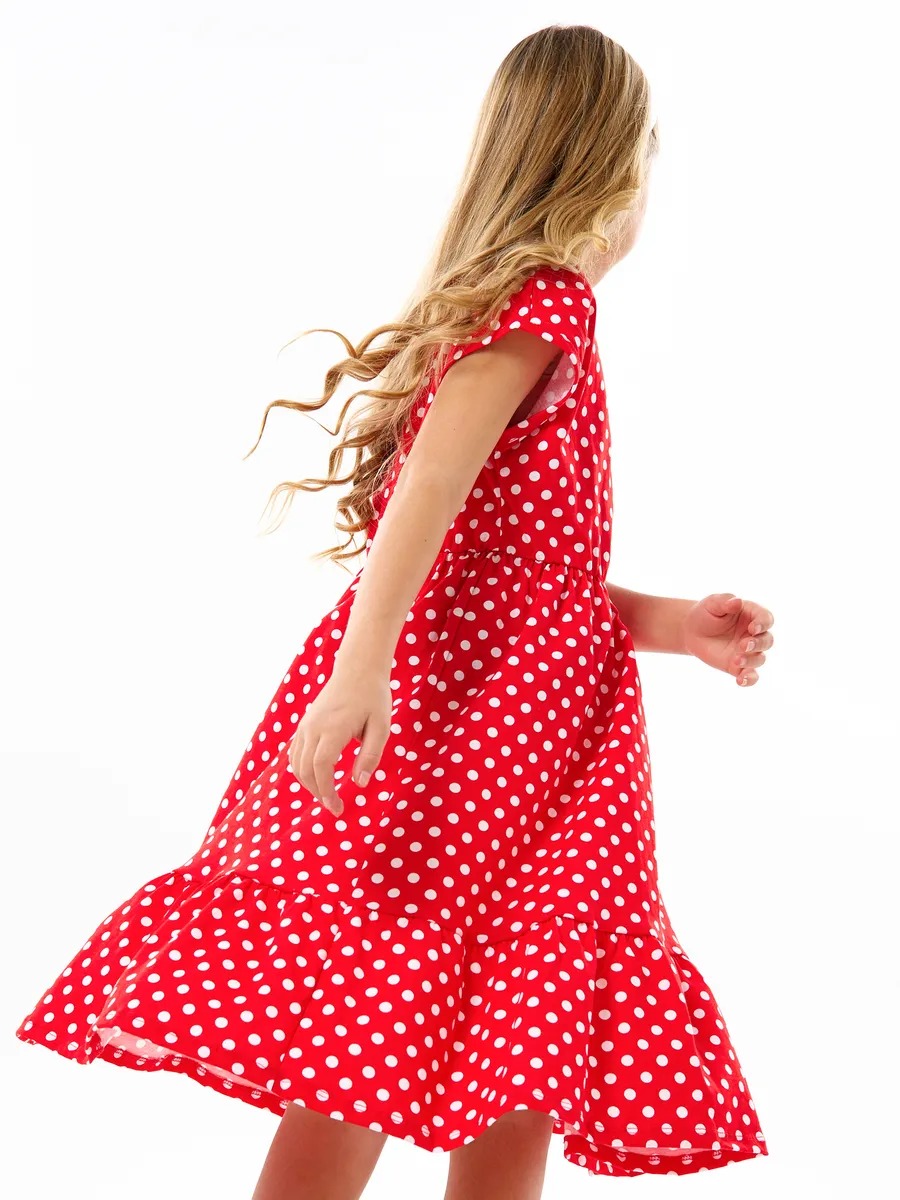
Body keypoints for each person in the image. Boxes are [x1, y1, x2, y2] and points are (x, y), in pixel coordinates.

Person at [14, 22, 773, 1198]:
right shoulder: (546, 307)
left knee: (493, 1029)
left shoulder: (517, 318)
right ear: (611, 167)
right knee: (426, 1016)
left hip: (545, 743)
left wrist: (674, 625)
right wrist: (359, 674)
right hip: (478, 739)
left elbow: (521, 575)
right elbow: (426, 493)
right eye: (649, 162)